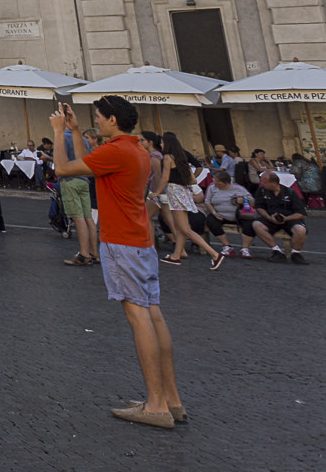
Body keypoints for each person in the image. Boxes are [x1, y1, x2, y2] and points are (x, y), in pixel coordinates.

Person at [50, 96, 185, 429]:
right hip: (141, 241)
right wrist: (76, 131)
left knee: (138, 318)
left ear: (112, 119)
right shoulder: (135, 149)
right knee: (154, 315)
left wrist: (58, 132)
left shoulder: (117, 151)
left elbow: (63, 169)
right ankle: (171, 400)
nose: (95, 120)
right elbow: (88, 163)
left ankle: (155, 406)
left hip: (121, 242)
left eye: (98, 116)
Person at [156, 134, 223, 268]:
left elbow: (165, 177)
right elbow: (192, 178)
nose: (161, 145)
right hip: (183, 191)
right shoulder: (181, 157)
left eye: (162, 143)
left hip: (175, 192)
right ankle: (176, 256)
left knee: (185, 229)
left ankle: (215, 254)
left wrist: (157, 192)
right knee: (181, 227)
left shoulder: (168, 157)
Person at [59, 124, 101, 267]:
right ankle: (94, 253)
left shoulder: (62, 137)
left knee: (78, 217)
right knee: (88, 217)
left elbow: (61, 162)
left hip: (70, 179)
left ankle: (84, 254)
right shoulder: (81, 139)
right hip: (84, 180)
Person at [248, 172, 309, 261]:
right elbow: (259, 207)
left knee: (300, 230)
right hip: (270, 218)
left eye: (265, 182)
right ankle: (276, 251)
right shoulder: (262, 191)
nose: (262, 184)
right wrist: (269, 217)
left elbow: (302, 214)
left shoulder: (290, 193)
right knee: (256, 224)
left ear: (274, 183)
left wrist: (286, 218)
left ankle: (296, 253)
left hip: (289, 218)